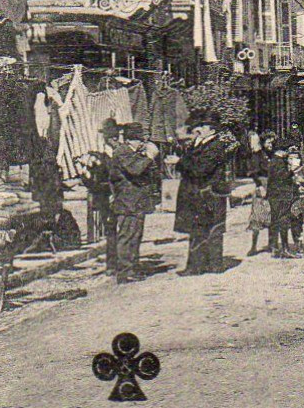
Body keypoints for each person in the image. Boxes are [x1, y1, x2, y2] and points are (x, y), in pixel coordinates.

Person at [173, 110, 234, 275]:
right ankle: (200, 265)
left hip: (210, 194)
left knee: (212, 229)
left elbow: (200, 169)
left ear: (212, 130)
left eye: (203, 126)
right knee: (198, 229)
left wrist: (180, 161)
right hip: (200, 193)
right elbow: (189, 166)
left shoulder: (216, 147)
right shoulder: (199, 144)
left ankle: (211, 265)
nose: (199, 129)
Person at [108, 122, 161, 282]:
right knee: (127, 236)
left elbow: (150, 173)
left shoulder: (135, 152)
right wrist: (149, 156)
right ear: (133, 139)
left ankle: (133, 267)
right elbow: (135, 170)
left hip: (137, 201)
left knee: (136, 235)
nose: (143, 143)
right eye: (141, 140)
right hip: (126, 202)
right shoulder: (122, 152)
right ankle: (124, 271)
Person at [265, 140, 302, 258]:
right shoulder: (278, 162)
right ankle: (285, 249)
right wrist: (292, 170)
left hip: (275, 195)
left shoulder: (274, 161)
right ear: (282, 151)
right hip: (281, 196)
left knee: (276, 221)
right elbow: (283, 177)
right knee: (283, 221)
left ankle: (275, 248)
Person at [246, 176, 271, 256]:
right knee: (256, 222)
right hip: (259, 197)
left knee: (271, 220)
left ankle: (271, 245)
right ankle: (254, 247)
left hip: (269, 191)